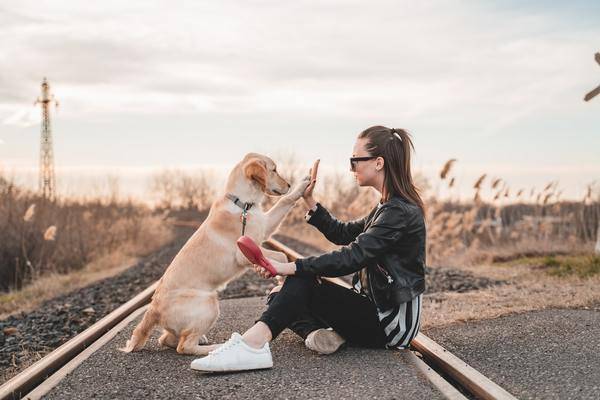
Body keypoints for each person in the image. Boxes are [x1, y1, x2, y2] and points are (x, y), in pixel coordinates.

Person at [190, 125, 426, 372]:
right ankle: (319, 334)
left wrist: (290, 267)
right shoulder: (387, 207)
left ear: (378, 163)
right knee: (279, 295)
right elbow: (343, 233)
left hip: (389, 324)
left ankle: (252, 345)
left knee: (298, 282)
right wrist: (309, 200)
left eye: (355, 160)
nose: (351, 168)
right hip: (372, 310)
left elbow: (352, 257)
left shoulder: (398, 212)